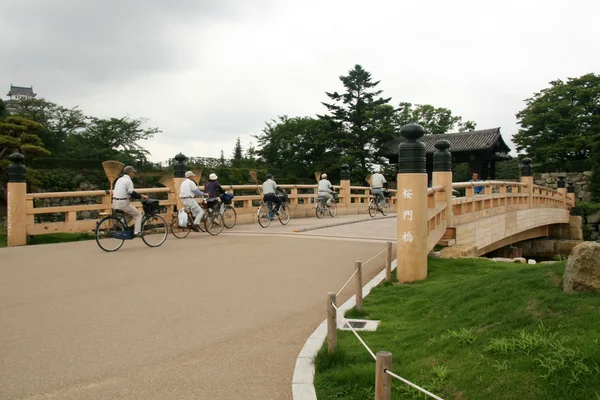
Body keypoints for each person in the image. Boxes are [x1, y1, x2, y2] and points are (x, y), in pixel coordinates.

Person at [112, 166, 148, 237]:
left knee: (129, 215)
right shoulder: (128, 181)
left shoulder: (119, 179)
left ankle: (120, 226)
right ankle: (137, 232)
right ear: (130, 173)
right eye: (133, 172)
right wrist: (142, 196)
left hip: (115, 202)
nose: (134, 174)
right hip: (123, 203)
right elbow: (132, 193)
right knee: (138, 214)